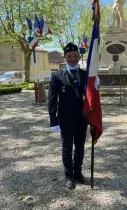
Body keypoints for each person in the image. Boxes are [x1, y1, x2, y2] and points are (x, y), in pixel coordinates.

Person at [48, 43, 89, 190]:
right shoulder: (57, 76)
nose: (73, 59)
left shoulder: (85, 74)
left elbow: (91, 96)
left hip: (82, 118)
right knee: (67, 148)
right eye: (69, 56)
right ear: (65, 58)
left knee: (80, 147)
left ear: (79, 57)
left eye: (75, 56)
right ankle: (69, 176)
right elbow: (52, 100)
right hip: (65, 119)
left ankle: (78, 173)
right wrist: (53, 120)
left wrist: (96, 84)